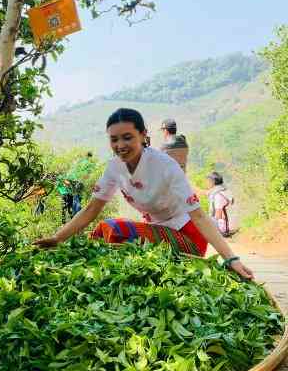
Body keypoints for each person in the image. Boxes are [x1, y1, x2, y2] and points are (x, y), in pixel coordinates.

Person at [35, 108, 253, 279]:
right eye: (114, 139)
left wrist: (231, 259)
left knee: (113, 228)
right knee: (103, 230)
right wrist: (58, 238)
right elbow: (92, 209)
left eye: (127, 137)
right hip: (158, 231)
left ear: (143, 135)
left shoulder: (165, 166)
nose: (120, 145)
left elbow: (199, 216)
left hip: (188, 238)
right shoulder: (114, 168)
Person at [207, 171, 234, 237]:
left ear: (212, 182)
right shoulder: (223, 190)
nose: (207, 183)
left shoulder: (217, 195)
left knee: (198, 219)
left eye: (208, 181)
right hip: (228, 224)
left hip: (222, 228)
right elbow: (205, 192)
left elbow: (218, 216)